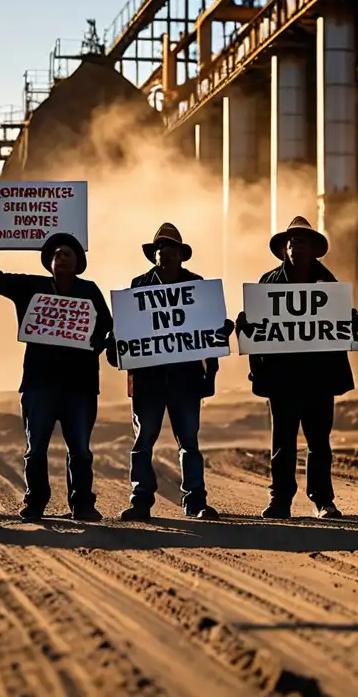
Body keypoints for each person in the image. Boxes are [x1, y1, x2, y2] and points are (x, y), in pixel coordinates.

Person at [0, 223, 112, 523]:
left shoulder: (89, 290)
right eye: (57, 254)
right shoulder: (31, 287)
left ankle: (83, 505)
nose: (62, 257)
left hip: (81, 386)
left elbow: (106, 326)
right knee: (35, 450)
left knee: (81, 451)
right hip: (38, 384)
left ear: (78, 262)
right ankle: (35, 502)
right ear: (49, 261)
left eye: (68, 254)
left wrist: (92, 348)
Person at [236, 216, 358, 519]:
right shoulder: (267, 284)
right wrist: (249, 341)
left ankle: (323, 500)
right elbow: (257, 333)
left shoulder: (328, 284)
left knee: (319, 442)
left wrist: (353, 323)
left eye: (303, 241)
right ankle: (280, 501)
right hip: (281, 379)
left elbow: (339, 326)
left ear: (314, 250)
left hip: (319, 378)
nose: (297, 246)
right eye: (292, 241)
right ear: (284, 249)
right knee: (282, 443)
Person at [105, 223, 234, 522]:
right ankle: (140, 501)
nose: (166, 254)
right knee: (143, 443)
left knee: (189, 443)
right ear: (154, 256)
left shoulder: (197, 286)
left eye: (172, 250)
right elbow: (125, 330)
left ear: (181, 255)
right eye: (161, 250)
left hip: (185, 381)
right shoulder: (138, 287)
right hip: (148, 382)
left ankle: (196, 501)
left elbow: (208, 338)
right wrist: (117, 345)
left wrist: (213, 360)